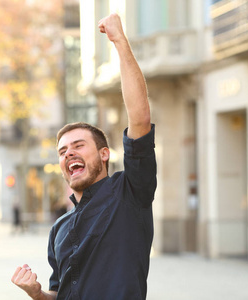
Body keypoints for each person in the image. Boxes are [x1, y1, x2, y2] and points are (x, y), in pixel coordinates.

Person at [11, 13, 157, 300]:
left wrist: (119, 42)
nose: (69, 153)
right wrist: (37, 293)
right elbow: (60, 294)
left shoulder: (129, 193)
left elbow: (140, 119)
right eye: (63, 151)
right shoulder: (58, 229)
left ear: (105, 154)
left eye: (78, 145)